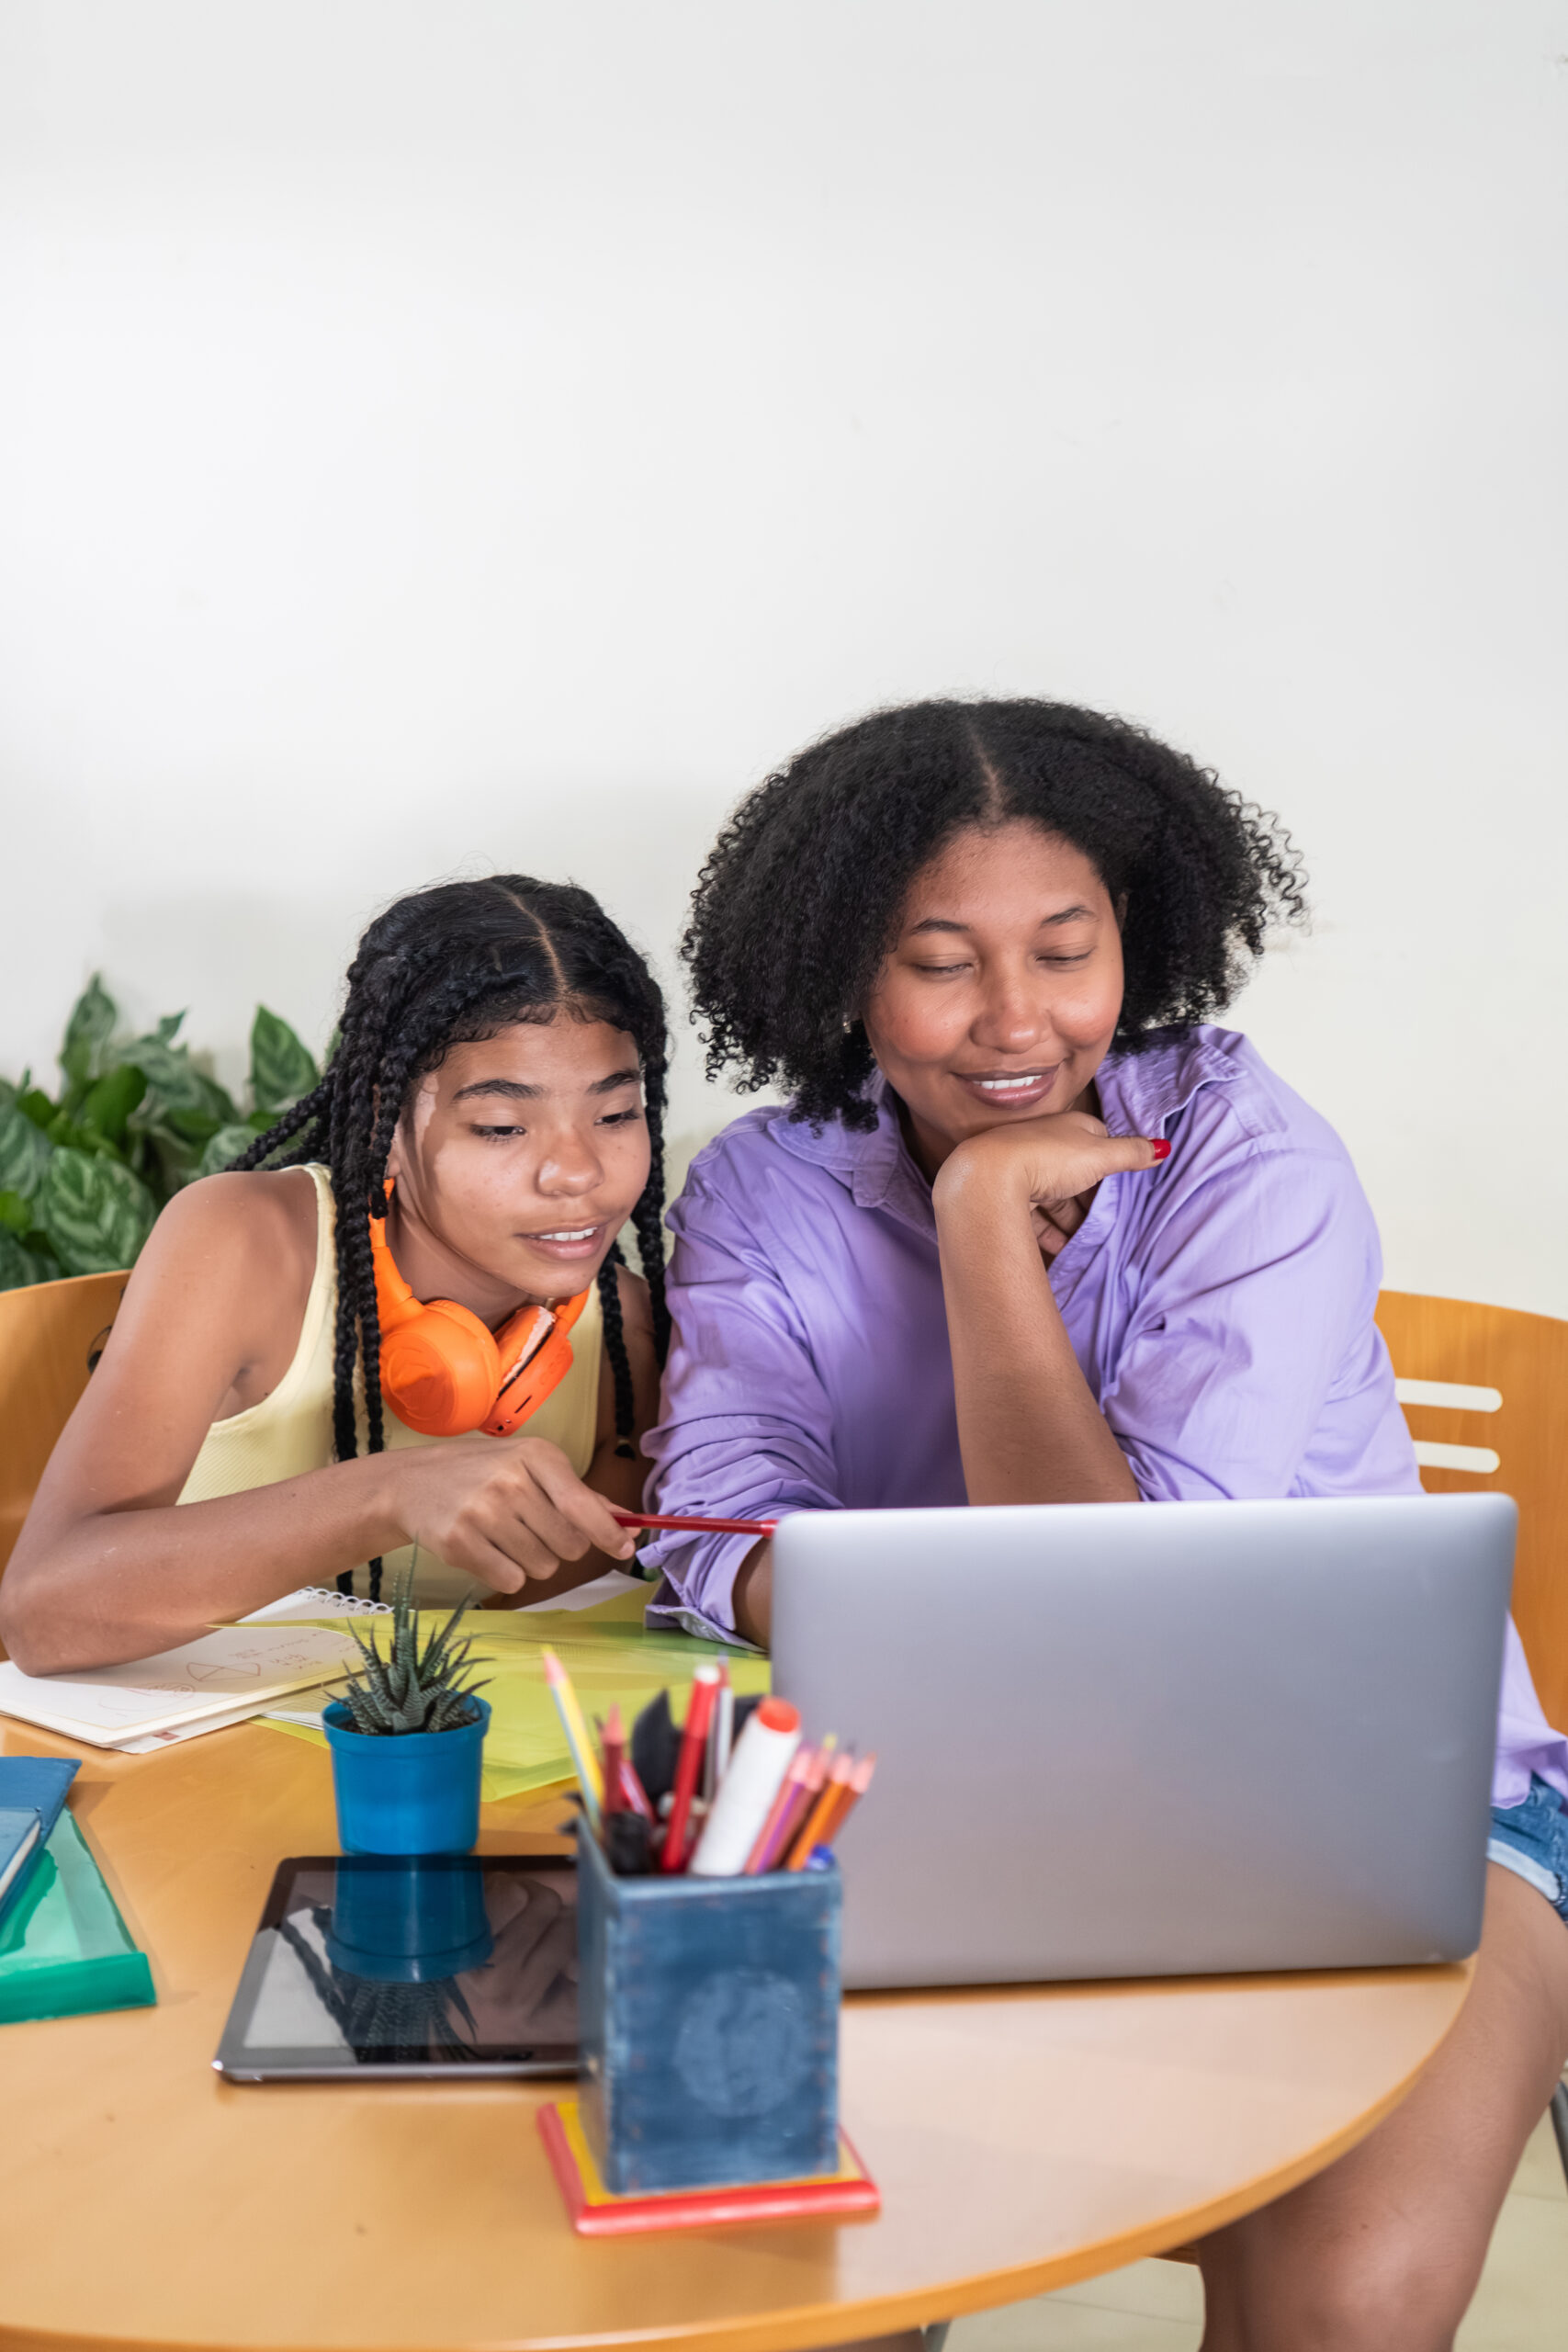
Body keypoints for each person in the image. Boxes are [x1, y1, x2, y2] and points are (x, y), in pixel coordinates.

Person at [641, 698, 1568, 2352]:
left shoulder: (1241, 1154)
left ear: (1133, 941)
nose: (1016, 1018)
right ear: (843, 967)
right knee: (782, 2263)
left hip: (1387, 1817)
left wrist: (983, 1219)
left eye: (1064, 949)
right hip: (943, 1803)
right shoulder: (762, 1187)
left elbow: (1129, 1602)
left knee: (1347, 2303)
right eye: (940, 960)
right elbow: (712, 1515)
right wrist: (911, 1619)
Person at [1, 876, 671, 1675]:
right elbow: (42, 1613)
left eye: (615, 1114)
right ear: (388, 1121)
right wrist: (390, 1494)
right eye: (501, 1127)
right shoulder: (244, 1245)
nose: (575, 1173)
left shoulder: (620, 1329)